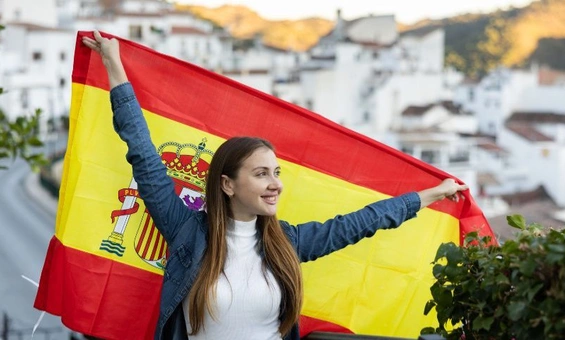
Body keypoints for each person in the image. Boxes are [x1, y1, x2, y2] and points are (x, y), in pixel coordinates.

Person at [82, 30, 469, 340]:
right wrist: (114, 65)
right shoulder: (187, 232)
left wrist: (429, 195)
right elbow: (145, 157)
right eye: (261, 173)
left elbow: (361, 223)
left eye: (277, 173)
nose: (275, 185)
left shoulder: (285, 242)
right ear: (228, 185)